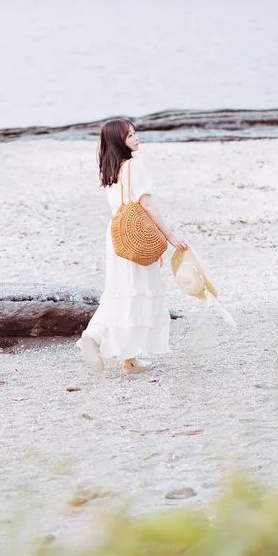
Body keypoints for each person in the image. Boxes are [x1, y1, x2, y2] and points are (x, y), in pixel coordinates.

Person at [78, 118, 188, 374]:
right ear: (119, 141)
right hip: (137, 231)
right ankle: (100, 340)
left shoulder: (110, 169)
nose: (136, 138)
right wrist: (168, 238)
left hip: (117, 232)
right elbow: (146, 205)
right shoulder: (135, 166)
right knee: (137, 291)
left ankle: (120, 352)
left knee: (119, 290)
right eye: (130, 135)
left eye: (135, 133)